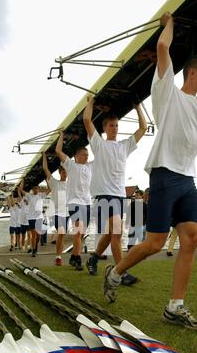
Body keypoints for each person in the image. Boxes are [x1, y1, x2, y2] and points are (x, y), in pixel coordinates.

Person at [103, 12, 197, 330]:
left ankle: (175, 307)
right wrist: (170, 22)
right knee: (155, 243)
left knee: (191, 238)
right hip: (163, 174)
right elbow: (163, 49)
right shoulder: (167, 94)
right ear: (191, 73)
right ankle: (116, 272)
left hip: (188, 178)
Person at [83, 97, 147, 285]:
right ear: (104, 128)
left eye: (117, 125)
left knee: (112, 234)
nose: (115, 128)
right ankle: (121, 273)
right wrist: (91, 103)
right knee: (117, 233)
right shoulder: (99, 144)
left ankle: (94, 258)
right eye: (111, 125)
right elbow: (87, 120)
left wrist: (137, 107)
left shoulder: (124, 146)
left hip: (119, 195)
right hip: (104, 195)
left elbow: (143, 128)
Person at [55, 131, 92, 270]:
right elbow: (58, 150)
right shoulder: (70, 165)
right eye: (84, 155)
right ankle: (78, 259)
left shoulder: (90, 166)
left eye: (88, 155)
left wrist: (91, 135)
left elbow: (100, 155)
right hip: (74, 202)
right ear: (76, 156)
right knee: (78, 231)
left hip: (87, 203)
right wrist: (61, 136)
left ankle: (73, 257)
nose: (86, 157)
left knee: (81, 233)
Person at [42, 151, 69, 266]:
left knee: (62, 235)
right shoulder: (54, 183)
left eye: (66, 173)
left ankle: (58, 256)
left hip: (67, 214)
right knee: (61, 232)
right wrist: (44, 156)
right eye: (63, 172)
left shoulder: (70, 185)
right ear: (59, 173)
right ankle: (58, 256)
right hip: (56, 213)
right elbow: (45, 169)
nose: (65, 174)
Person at [19, 180, 44, 257]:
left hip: (39, 218)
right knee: (34, 235)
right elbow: (21, 190)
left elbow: (50, 189)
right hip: (31, 218)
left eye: (37, 188)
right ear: (32, 190)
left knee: (38, 235)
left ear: (38, 189)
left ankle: (35, 247)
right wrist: (23, 180)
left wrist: (47, 180)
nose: (35, 190)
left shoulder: (41, 195)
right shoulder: (29, 196)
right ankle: (33, 250)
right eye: (34, 188)